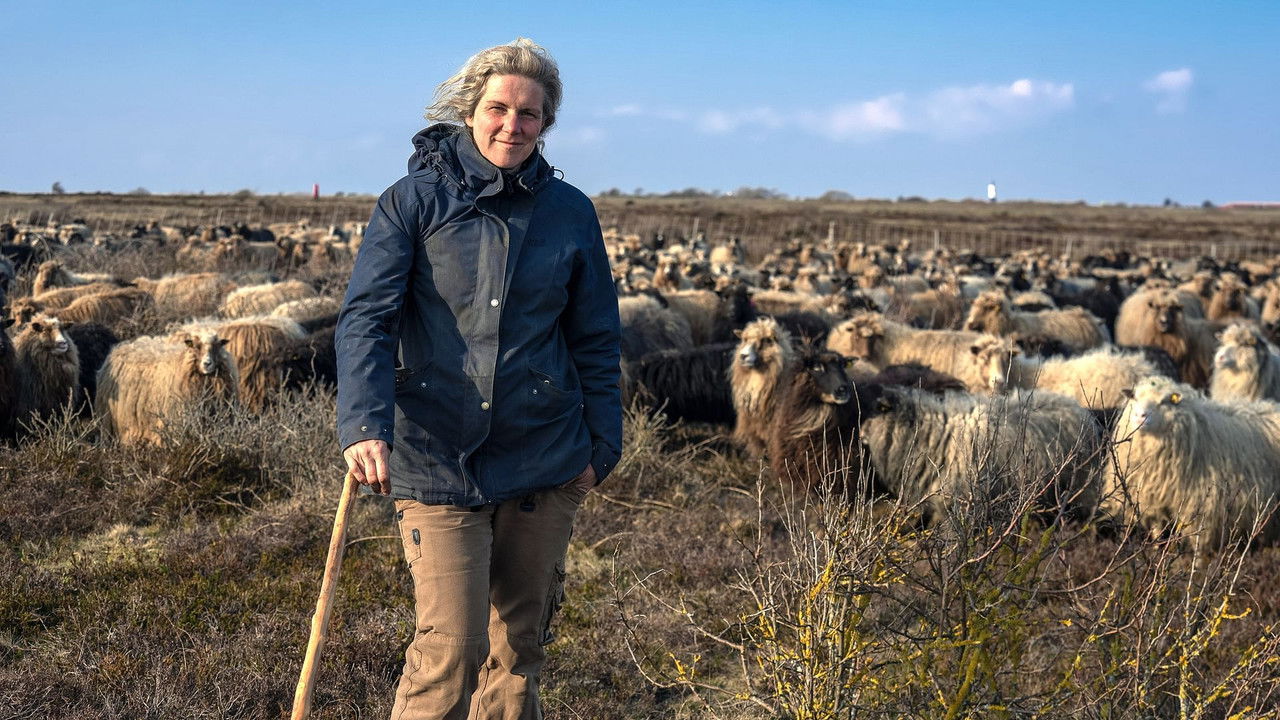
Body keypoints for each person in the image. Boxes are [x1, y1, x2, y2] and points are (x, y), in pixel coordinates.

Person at [334, 38, 622, 720]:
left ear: (546, 123)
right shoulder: (411, 203)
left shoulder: (571, 212)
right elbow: (366, 321)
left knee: (519, 651)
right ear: (471, 109)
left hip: (544, 459)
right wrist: (365, 425)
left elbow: (595, 337)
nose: (511, 126)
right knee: (450, 654)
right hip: (439, 462)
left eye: (529, 114)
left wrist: (600, 449)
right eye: (498, 108)